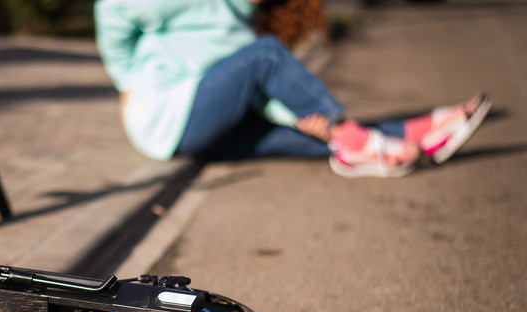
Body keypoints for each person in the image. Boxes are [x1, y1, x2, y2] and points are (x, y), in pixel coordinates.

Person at [94, 0, 491, 178]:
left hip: (205, 129)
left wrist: (307, 121)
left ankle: (422, 135)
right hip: (165, 113)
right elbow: (113, 8)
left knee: (312, 135)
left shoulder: (245, 24)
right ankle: (355, 139)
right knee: (266, 55)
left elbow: (265, 95)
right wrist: (126, 80)